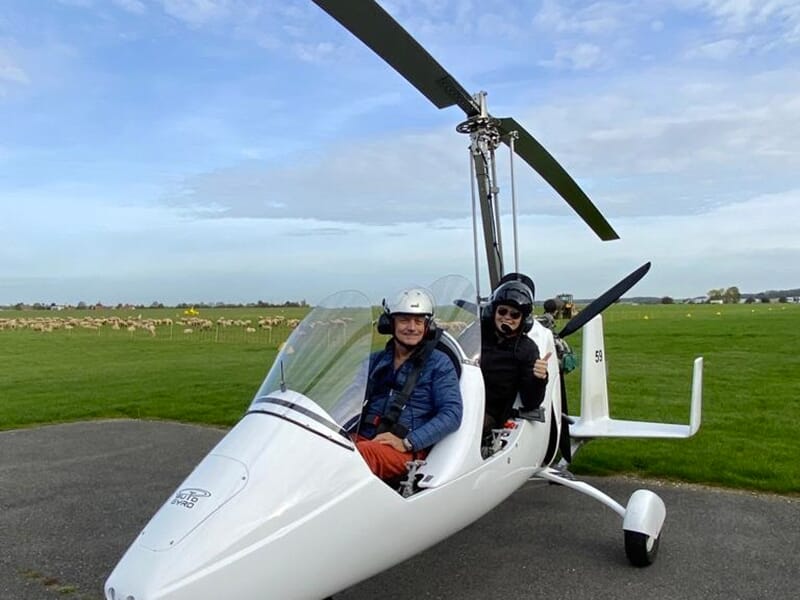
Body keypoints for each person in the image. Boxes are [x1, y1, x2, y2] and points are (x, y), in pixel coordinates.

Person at [356, 288, 463, 480]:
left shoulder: (439, 363)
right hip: (366, 436)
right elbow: (350, 400)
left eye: (419, 321)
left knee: (356, 457)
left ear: (427, 327)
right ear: (390, 324)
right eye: (404, 320)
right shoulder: (374, 361)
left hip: (404, 449)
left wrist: (408, 442)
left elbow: (452, 413)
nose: (412, 327)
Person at [480, 277, 550, 437]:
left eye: (514, 314)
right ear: (493, 312)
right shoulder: (478, 336)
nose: (507, 317)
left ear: (523, 320)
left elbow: (531, 401)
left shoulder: (526, 349)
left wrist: (539, 378)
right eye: (502, 311)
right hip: (462, 403)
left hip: (490, 414)